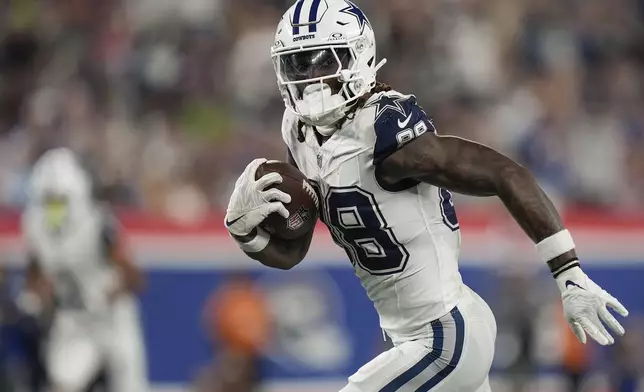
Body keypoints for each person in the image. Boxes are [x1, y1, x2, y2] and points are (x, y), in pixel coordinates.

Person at [224, 1, 629, 391]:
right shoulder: (298, 130)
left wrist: (568, 273)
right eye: (297, 63)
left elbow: (506, 174)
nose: (308, 77)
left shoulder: (385, 132)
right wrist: (247, 234)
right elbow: (293, 249)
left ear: (356, 56)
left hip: (445, 337)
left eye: (322, 60)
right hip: (419, 338)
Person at [20, 148, 148, 392]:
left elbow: (136, 278)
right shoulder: (35, 226)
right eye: (48, 202)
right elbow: (35, 275)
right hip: (74, 321)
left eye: (58, 202)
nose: (53, 209)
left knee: (129, 385)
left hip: (113, 320)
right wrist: (37, 299)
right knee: (62, 385)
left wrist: (108, 292)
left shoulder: (99, 225)